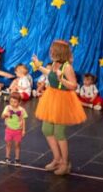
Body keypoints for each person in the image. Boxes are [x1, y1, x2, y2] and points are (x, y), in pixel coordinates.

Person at [33, 40, 87, 176]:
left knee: (59, 133)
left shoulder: (67, 67)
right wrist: (38, 65)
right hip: (51, 97)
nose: (50, 51)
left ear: (58, 51)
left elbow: (74, 85)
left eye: (53, 49)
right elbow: (49, 73)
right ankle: (56, 158)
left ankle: (65, 162)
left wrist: (61, 79)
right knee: (46, 129)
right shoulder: (55, 64)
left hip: (62, 100)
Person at [2, 92, 27, 165]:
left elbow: (23, 120)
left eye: (15, 102)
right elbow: (2, 116)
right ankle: (7, 157)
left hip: (18, 130)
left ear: (19, 102)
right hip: (9, 129)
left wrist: (23, 130)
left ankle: (17, 159)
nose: (13, 103)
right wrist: (6, 114)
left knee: (17, 145)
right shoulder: (7, 108)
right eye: (11, 101)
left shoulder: (22, 110)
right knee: (8, 144)